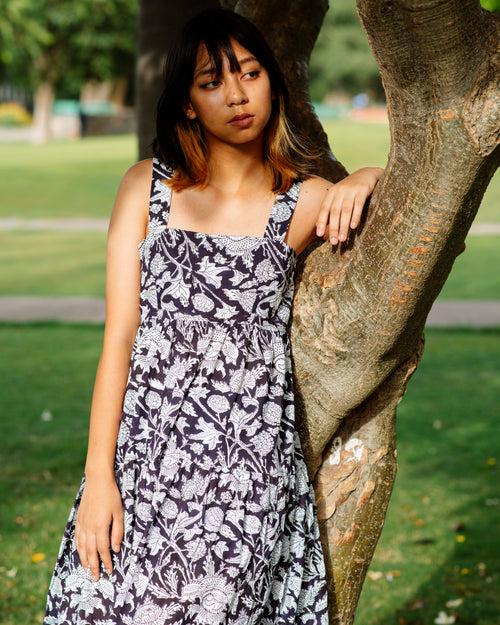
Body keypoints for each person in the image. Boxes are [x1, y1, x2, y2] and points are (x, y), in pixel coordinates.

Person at [43, 7, 384, 625]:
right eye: (211, 82)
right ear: (187, 104)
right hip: (144, 457)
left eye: (250, 74)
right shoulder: (146, 188)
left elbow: (406, 192)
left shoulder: (300, 201)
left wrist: (364, 174)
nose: (236, 94)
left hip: (245, 466)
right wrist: (99, 480)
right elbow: (118, 339)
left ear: (272, 86)